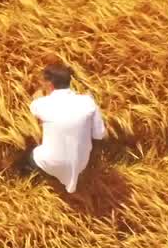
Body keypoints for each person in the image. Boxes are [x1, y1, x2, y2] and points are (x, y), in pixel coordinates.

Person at [19, 64, 107, 193]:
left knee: (29, 154)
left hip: (51, 164)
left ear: (50, 84)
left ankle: (32, 184)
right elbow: (99, 134)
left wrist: (39, 96)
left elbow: (33, 107)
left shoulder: (42, 104)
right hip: (81, 165)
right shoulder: (88, 102)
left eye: (43, 82)